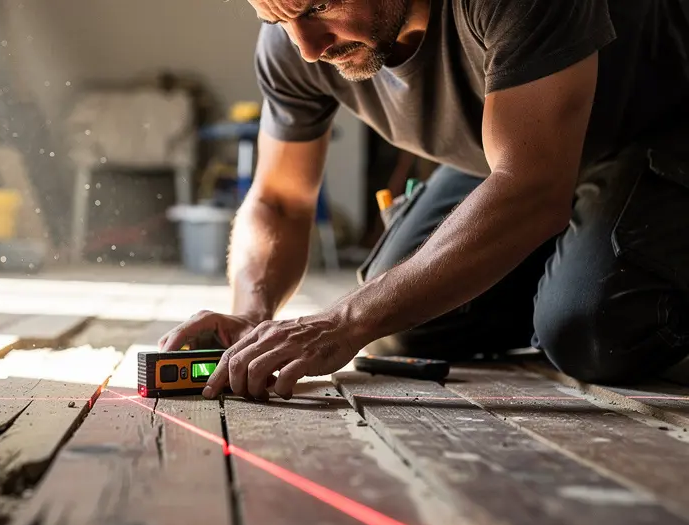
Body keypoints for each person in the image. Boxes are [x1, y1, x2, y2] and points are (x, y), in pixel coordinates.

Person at [159, 0, 689, 400]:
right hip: (506, 154)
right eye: (278, 19)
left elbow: (531, 187)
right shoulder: (293, 39)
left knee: (592, 333)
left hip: (652, 131)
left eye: (319, 6)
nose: (307, 48)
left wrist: (343, 320)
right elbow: (279, 200)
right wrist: (252, 315)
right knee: (402, 325)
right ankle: (576, 265)